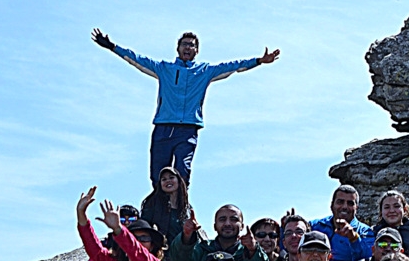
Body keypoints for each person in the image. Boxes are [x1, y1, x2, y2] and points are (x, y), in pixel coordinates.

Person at [90, 29, 279, 186]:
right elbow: (136, 59)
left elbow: (233, 66)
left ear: (197, 50)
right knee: (158, 173)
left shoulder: (205, 71)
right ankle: (158, 208)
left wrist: (259, 61)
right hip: (163, 127)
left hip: (188, 128)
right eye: (184, 44)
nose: (188, 47)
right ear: (178, 48)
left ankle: (180, 206)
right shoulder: (164, 68)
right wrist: (113, 47)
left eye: (192, 45)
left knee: (182, 170)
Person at [169, 204, 274, 261]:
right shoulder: (203, 248)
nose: (228, 223)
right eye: (222, 219)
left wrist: (252, 250)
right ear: (214, 226)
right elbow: (179, 258)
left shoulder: (249, 251)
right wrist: (187, 236)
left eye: (234, 219)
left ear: (242, 226)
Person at [311, 185, 376, 261]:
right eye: (340, 202)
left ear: (356, 208)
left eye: (350, 203)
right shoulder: (316, 226)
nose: (345, 207)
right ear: (332, 205)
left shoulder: (365, 232)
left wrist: (354, 239)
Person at [139, 164, 191, 253]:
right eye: (164, 179)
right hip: (159, 254)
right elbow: (143, 228)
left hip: (181, 255)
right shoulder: (151, 204)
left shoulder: (187, 209)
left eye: (171, 177)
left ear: (178, 181)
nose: (168, 181)